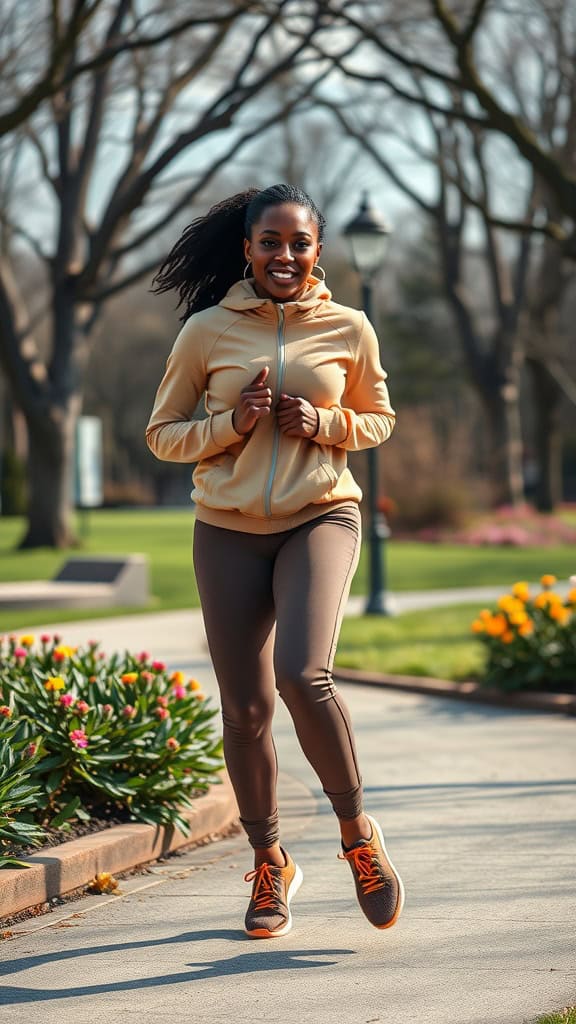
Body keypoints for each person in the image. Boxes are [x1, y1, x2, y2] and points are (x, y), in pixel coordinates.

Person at [146, 183, 403, 939]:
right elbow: (163, 434)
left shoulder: (351, 327)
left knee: (303, 674)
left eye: (299, 243)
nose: (284, 255)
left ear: (317, 249)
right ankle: (269, 864)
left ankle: (357, 835)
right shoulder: (205, 331)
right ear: (248, 248)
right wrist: (233, 423)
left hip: (321, 513)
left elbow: (379, 418)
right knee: (245, 709)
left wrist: (321, 420)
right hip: (225, 527)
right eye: (270, 242)